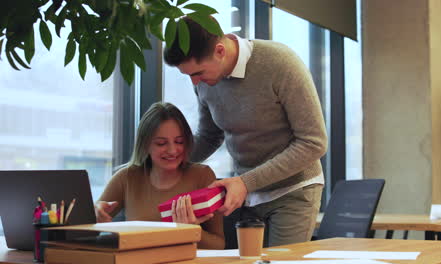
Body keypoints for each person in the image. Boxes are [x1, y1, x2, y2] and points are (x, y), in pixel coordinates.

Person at [163, 16, 328, 247]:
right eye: (189, 75)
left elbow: (313, 143)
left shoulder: (280, 63)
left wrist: (245, 182)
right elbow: (210, 136)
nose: (194, 82)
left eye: (198, 73)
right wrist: (168, 162)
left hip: (294, 191)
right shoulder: (203, 82)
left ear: (220, 51)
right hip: (246, 196)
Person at [95, 102, 225, 249]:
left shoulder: (202, 175)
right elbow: (91, 222)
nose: (172, 150)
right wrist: (95, 214)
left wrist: (191, 231)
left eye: (179, 142)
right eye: (161, 143)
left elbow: (219, 244)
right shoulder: (127, 177)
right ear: (145, 145)